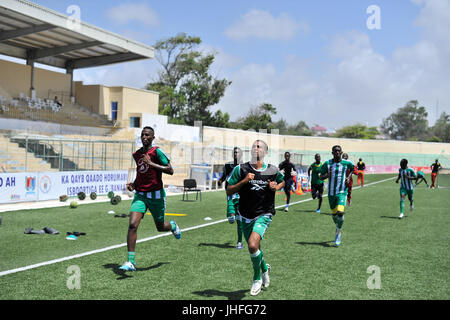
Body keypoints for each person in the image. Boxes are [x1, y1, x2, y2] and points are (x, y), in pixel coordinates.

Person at [226, 140, 285, 296]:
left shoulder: (272, 170)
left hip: (264, 213)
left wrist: (276, 187)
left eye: (259, 147)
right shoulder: (241, 169)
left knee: (252, 245)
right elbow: (228, 190)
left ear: (265, 152)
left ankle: (256, 278)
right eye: (253, 146)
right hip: (245, 214)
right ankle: (265, 269)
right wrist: (244, 181)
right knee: (255, 248)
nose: (255, 148)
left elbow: (282, 180)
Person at [119, 126, 181, 271]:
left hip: (156, 195)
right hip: (140, 194)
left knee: (160, 227)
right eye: (142, 135)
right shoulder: (137, 154)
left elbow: (170, 170)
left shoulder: (156, 152)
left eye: (147, 135)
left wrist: (151, 163)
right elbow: (142, 173)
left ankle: (172, 226)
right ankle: (131, 262)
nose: (144, 137)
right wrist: (134, 184)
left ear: (152, 138)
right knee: (133, 225)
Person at [319, 145, 354, 247]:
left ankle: (338, 232)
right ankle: (337, 226)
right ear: (332, 153)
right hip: (331, 194)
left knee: (340, 213)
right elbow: (320, 176)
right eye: (335, 151)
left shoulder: (346, 163)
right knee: (334, 216)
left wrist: (348, 177)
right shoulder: (327, 164)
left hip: (342, 192)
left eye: (339, 151)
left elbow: (352, 169)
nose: (337, 153)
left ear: (341, 152)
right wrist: (327, 176)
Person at [218, 147, 244, 249]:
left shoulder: (244, 167)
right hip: (230, 193)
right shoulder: (227, 165)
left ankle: (240, 242)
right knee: (232, 218)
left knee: (239, 220)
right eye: (234, 152)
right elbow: (224, 176)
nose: (235, 154)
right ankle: (230, 214)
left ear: (241, 155)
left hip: (241, 194)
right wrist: (220, 180)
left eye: (237, 153)